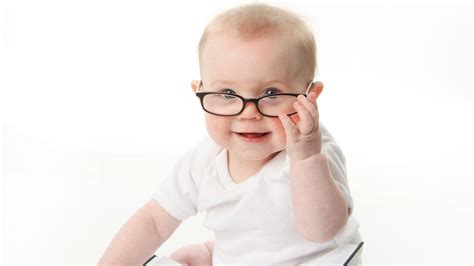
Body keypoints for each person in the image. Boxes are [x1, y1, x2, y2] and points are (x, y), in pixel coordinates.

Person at [99, 3, 361, 265]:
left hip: (313, 259)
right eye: (227, 94)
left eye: (271, 93)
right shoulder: (205, 159)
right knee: (190, 257)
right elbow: (154, 221)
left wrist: (306, 158)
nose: (248, 113)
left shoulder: (315, 150)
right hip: (242, 257)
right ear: (199, 92)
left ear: (310, 97)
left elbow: (321, 231)